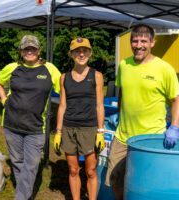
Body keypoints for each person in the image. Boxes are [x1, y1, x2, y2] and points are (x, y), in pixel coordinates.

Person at [105, 24, 179, 200]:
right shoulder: (124, 65)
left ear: (152, 43)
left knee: (145, 186)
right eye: (134, 40)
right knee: (115, 181)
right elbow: (122, 92)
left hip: (150, 139)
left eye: (143, 41)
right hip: (122, 137)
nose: (138, 45)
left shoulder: (164, 69)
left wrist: (175, 126)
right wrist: (119, 112)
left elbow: (177, 99)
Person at [0, 35, 61, 200]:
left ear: (39, 51)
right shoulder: (12, 67)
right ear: (21, 51)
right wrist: (4, 99)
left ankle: (21, 197)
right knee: (17, 163)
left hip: (36, 127)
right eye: (26, 48)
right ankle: (24, 194)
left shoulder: (50, 69)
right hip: (11, 124)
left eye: (33, 48)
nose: (30, 51)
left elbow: (64, 88)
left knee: (30, 166)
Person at [53, 37, 105, 200]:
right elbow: (62, 105)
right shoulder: (63, 77)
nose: (81, 54)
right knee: (73, 170)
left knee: (90, 171)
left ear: (90, 53)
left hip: (89, 129)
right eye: (77, 51)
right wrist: (58, 132)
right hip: (68, 128)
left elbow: (99, 105)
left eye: (84, 50)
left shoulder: (96, 76)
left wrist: (100, 131)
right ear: (71, 54)